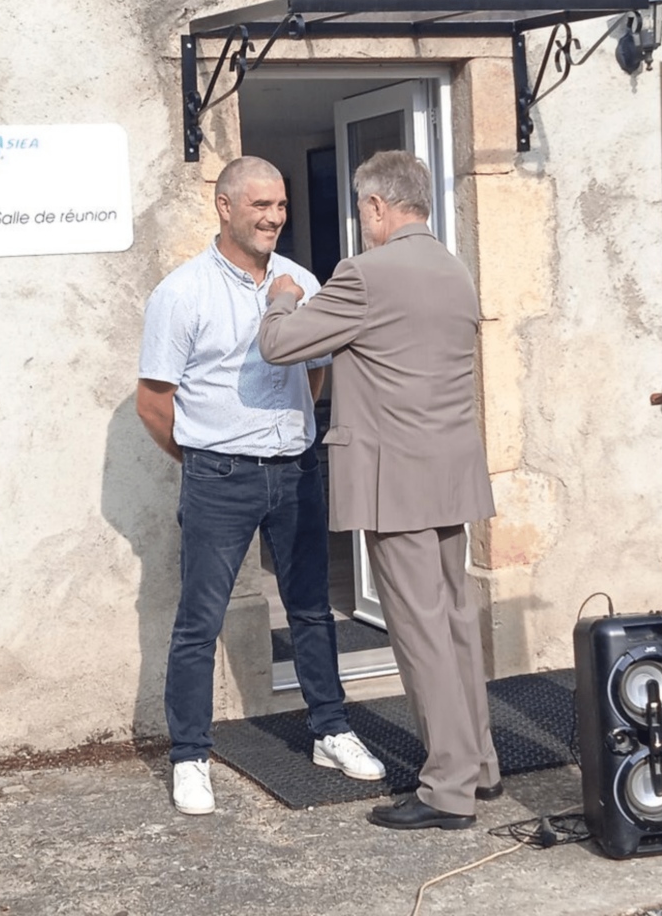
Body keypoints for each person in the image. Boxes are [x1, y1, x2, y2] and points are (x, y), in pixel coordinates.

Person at [259, 150, 501, 831]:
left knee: (421, 636)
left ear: (376, 207)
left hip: (397, 478)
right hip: (451, 471)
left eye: (362, 209)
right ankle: (477, 766)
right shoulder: (455, 271)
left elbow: (281, 345)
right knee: (453, 625)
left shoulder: (364, 275)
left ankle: (446, 790)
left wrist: (280, 298)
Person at [136, 156, 385, 816]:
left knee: (310, 611)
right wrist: (202, 460)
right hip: (219, 476)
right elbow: (153, 401)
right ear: (223, 207)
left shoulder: (302, 282)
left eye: (280, 205)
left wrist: (287, 440)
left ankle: (330, 730)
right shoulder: (181, 293)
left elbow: (316, 374)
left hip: (297, 473)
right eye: (260, 206)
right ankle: (189, 754)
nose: (275, 216)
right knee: (199, 622)